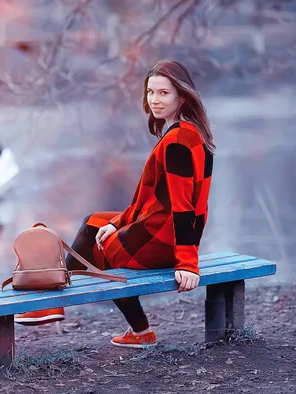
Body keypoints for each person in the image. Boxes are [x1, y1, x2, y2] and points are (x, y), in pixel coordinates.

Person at [14, 59, 216, 348]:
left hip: (163, 240)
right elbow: (153, 202)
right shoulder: (194, 134)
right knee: (95, 223)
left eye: (164, 93)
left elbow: (184, 207)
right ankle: (139, 332)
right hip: (166, 231)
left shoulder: (177, 143)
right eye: (150, 92)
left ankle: (52, 303)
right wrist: (117, 223)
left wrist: (188, 263)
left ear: (182, 97)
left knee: (97, 249)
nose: (155, 100)